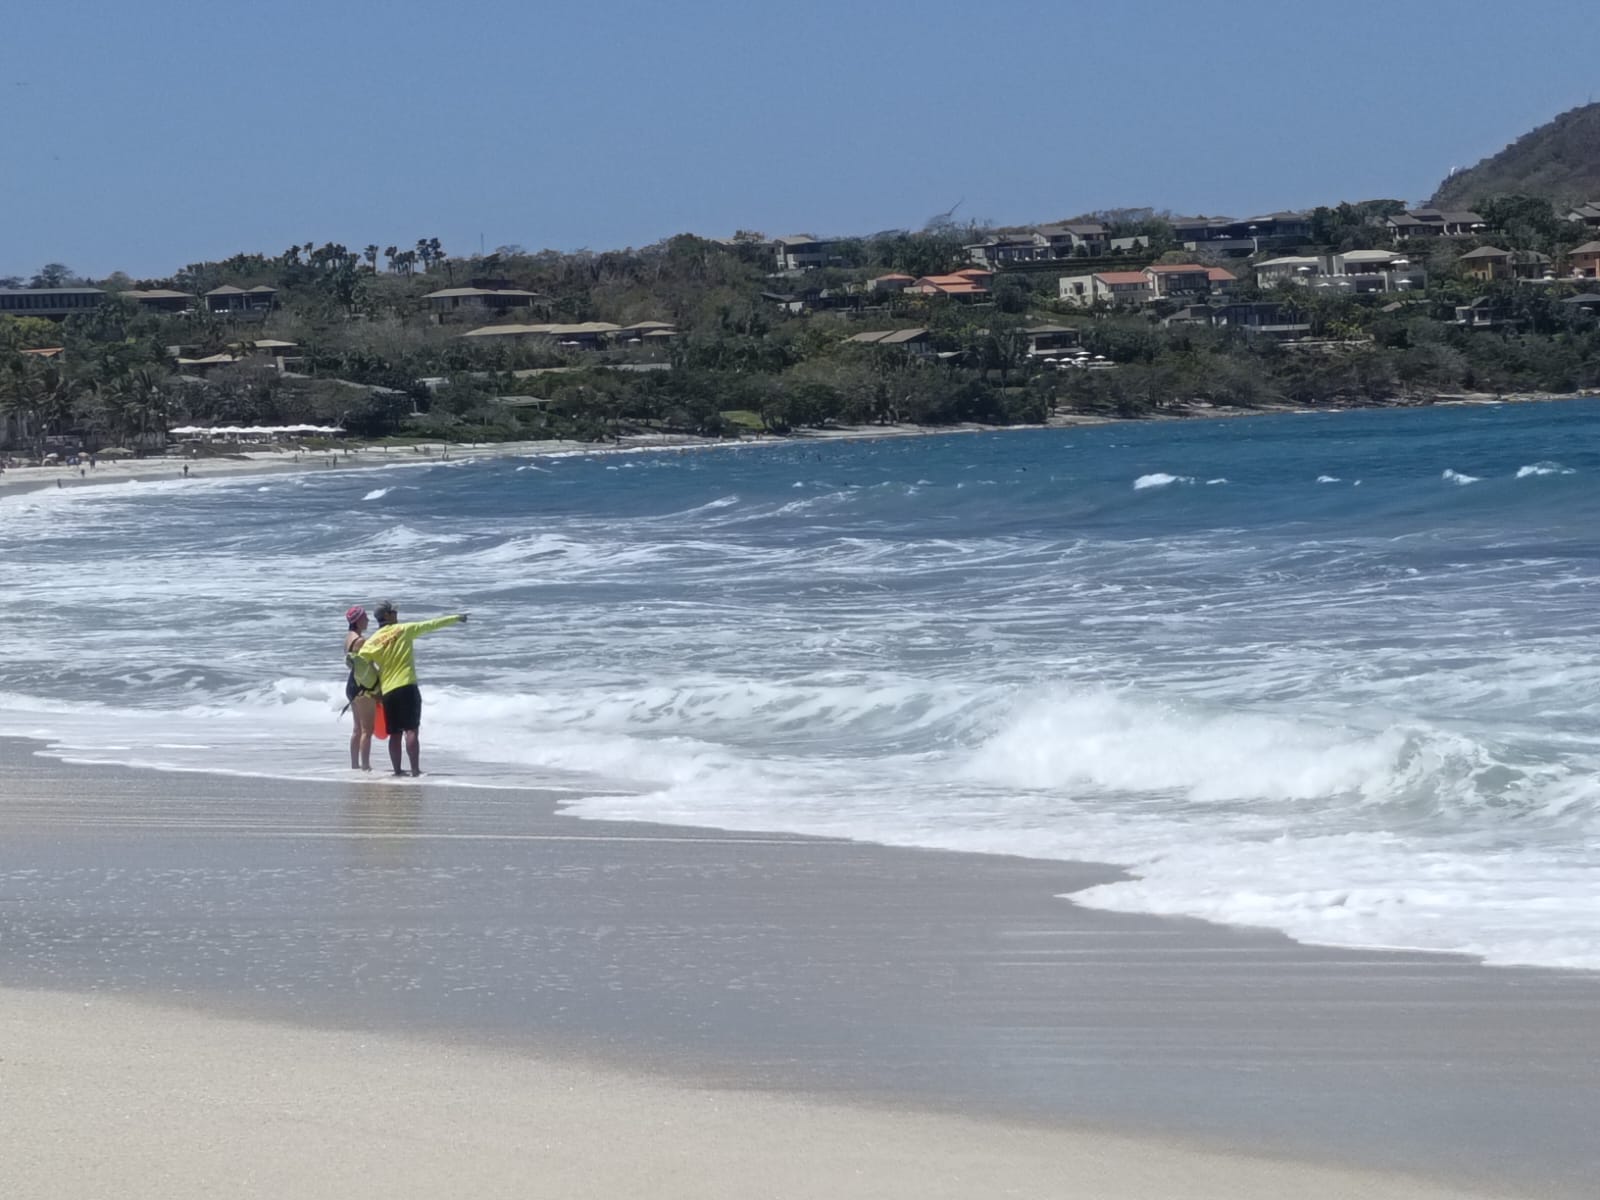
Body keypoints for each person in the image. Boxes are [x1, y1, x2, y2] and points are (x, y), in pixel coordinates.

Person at [355, 600, 467, 776]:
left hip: (388, 691)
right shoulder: (404, 629)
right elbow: (431, 624)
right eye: (394, 612)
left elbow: (359, 666)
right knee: (411, 730)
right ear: (387, 615)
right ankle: (415, 771)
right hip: (407, 686)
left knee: (395, 734)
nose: (396, 614)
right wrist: (456, 618)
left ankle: (397, 771)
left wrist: (371, 689)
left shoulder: (372, 642)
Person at [342, 605, 378, 771]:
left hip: (351, 685)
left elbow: (353, 665)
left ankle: (355, 765)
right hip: (362, 686)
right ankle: (365, 766)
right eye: (365, 617)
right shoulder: (361, 641)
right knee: (367, 730)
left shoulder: (348, 638)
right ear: (357, 621)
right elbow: (369, 665)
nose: (368, 620)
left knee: (357, 729)